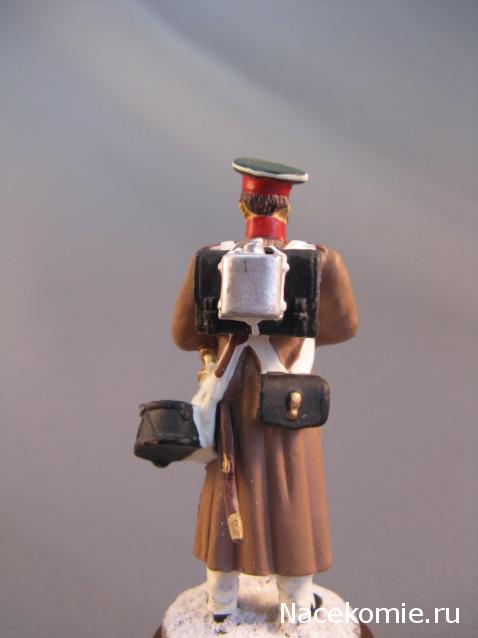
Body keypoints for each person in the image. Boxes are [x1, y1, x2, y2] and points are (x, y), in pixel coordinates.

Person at [170, 158, 358, 620]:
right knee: (294, 496)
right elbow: (343, 327)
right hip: (288, 404)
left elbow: (183, 336)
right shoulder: (321, 261)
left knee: (226, 492)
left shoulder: (210, 259)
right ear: (286, 209)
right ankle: (296, 606)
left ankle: (221, 604)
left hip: (231, 402)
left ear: (243, 206)